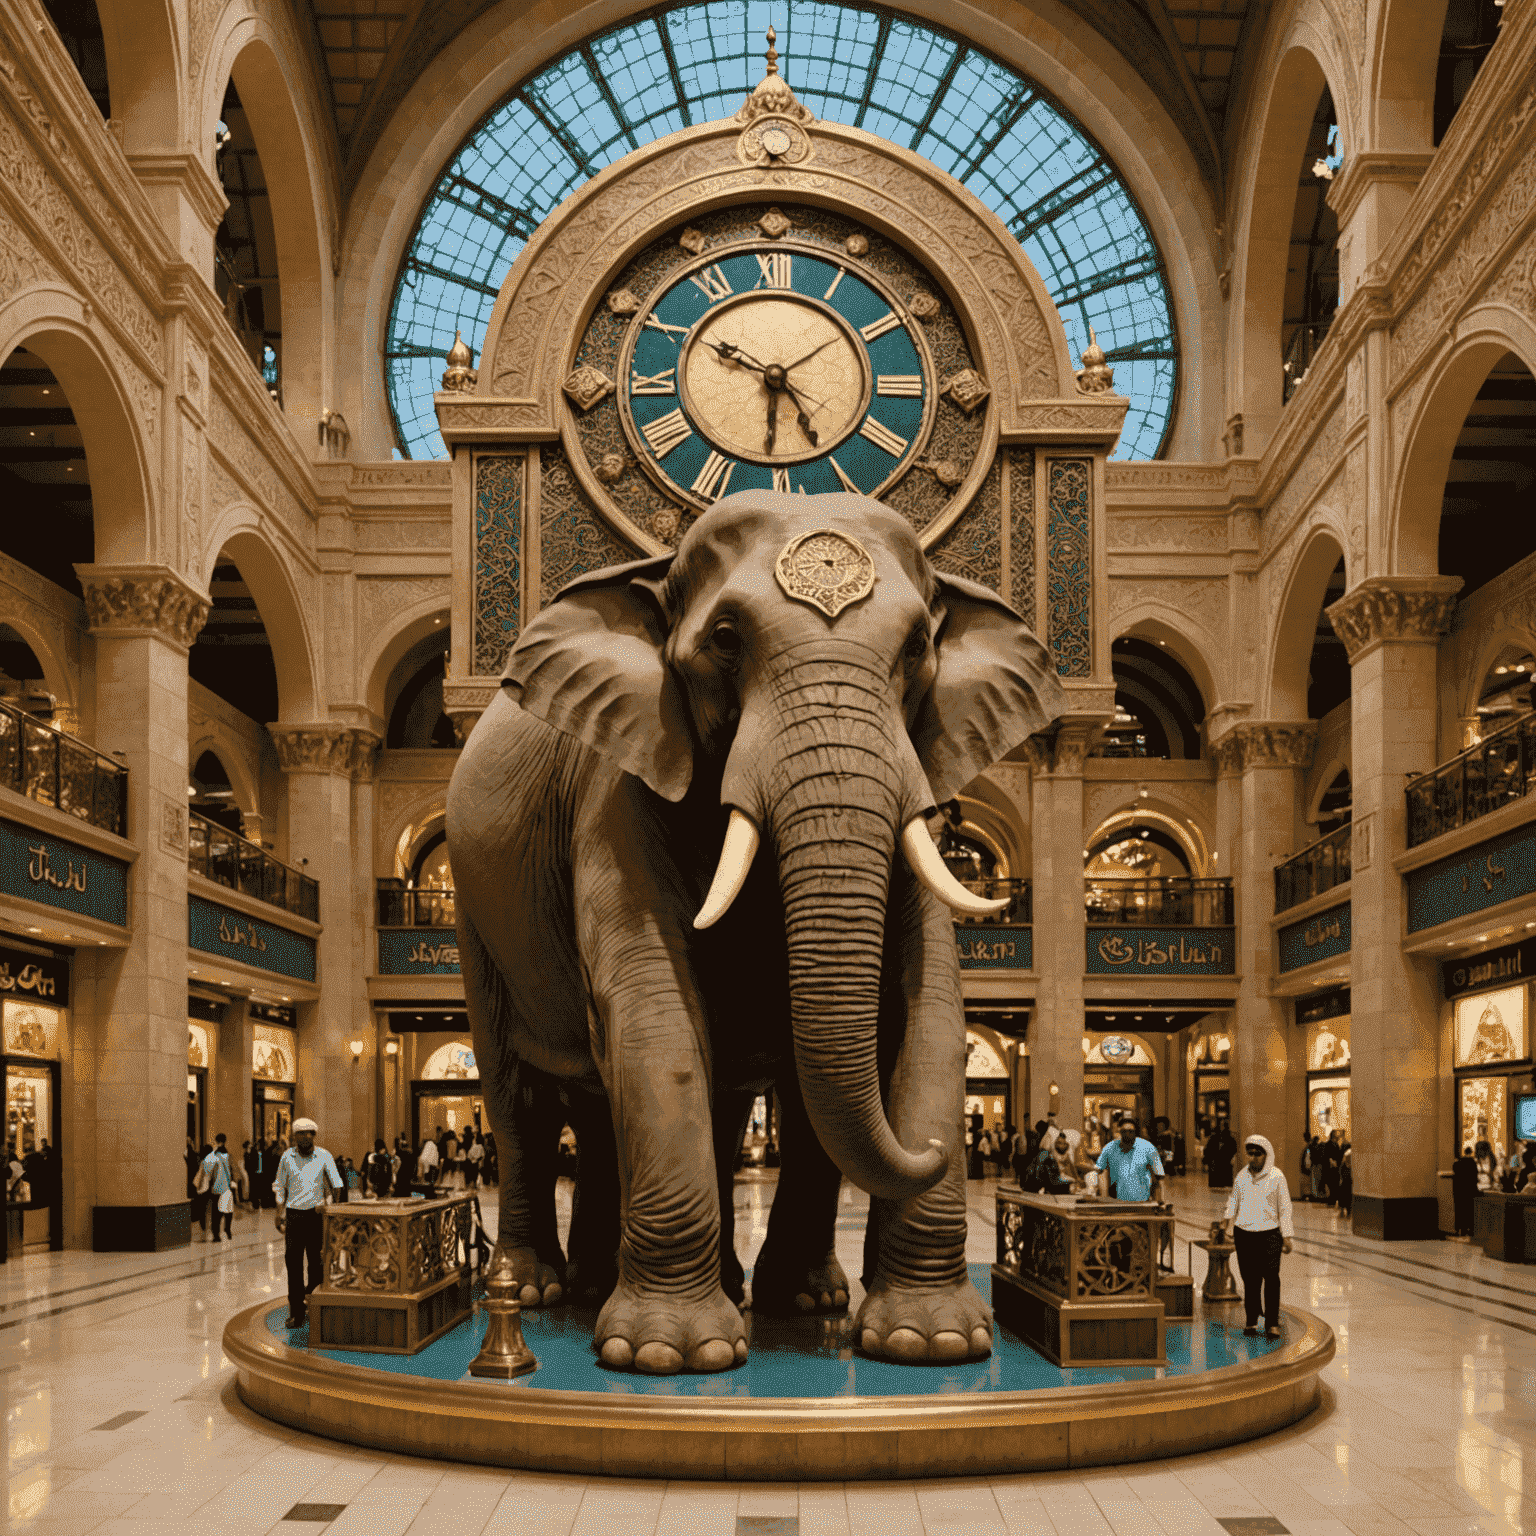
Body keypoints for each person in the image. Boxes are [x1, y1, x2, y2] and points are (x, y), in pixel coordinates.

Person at [1219, 1134, 1293, 1339]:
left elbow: (1285, 1207)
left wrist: (1287, 1236)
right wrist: (1226, 1220)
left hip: (1270, 1234)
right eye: (1250, 1153)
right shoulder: (1242, 1176)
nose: (1253, 1158)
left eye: (1257, 1154)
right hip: (1244, 1234)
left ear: (1266, 1155)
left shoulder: (1277, 1177)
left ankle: (1272, 1323)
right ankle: (1252, 1320)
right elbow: (1233, 1200)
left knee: (1271, 1278)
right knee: (1250, 1279)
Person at [274, 1117, 344, 1328]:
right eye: (301, 1133)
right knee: (293, 1265)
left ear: (314, 1135)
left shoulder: (324, 1156)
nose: (306, 1137)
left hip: (316, 1216)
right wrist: (279, 1211)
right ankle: (296, 1312)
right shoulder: (287, 1157)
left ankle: (314, 1303)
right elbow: (279, 1185)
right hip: (294, 1216)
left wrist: (333, 1212)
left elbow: (337, 1185)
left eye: (309, 1133)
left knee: (317, 1264)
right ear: (294, 1137)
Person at [1093, 1117, 1165, 1204]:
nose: (1127, 1134)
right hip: (1116, 1201)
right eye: (1124, 1131)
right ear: (1120, 1132)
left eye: (1131, 1131)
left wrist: (1160, 1201)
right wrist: (1104, 1198)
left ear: (1135, 1132)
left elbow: (1159, 1176)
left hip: (1142, 1200)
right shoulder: (1109, 1148)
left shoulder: (1148, 1148)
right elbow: (1099, 1171)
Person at [201, 1134, 235, 1242]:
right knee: (228, 1211)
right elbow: (232, 1171)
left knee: (216, 1213)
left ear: (216, 1141)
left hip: (216, 1188)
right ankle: (227, 1229)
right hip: (226, 1187)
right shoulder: (228, 1155)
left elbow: (208, 1171)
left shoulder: (214, 1156)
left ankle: (216, 1234)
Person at [1453, 1144, 1478, 1236]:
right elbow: (1475, 1177)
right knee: (1470, 1210)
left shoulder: (1457, 1163)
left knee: (1460, 1210)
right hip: (1470, 1190)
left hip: (1459, 1191)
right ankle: (1470, 1229)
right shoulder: (1472, 1163)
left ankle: (1460, 1229)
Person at [1204, 1120, 1237, 1188]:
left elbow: (1233, 1149)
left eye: (1223, 1125)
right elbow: (1208, 1150)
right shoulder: (1214, 1138)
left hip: (1224, 1163)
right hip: (1216, 1164)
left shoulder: (1229, 1139)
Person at [1338, 1140, 1352, 1216]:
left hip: (1345, 1182)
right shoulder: (1350, 1152)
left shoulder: (1344, 1165)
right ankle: (1348, 1210)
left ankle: (1343, 1209)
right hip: (1348, 1182)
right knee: (1348, 1196)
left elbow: (1341, 1173)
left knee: (1344, 1195)